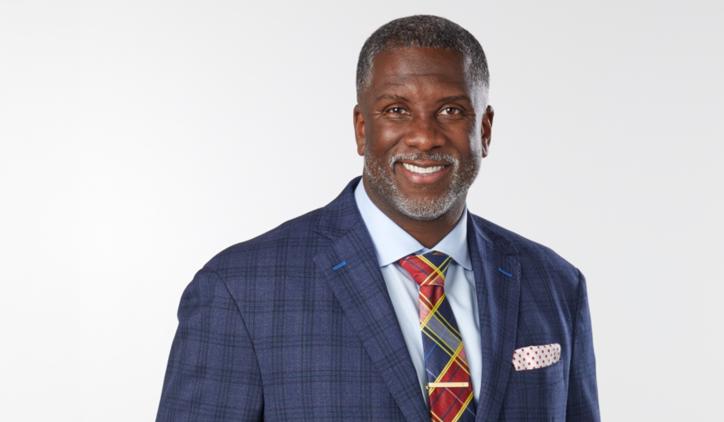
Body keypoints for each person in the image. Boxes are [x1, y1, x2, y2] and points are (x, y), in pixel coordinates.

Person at [156, 15, 599, 422]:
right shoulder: (240, 290)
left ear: (484, 130)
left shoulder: (556, 285)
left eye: (451, 110)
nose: (424, 137)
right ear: (362, 128)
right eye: (396, 110)